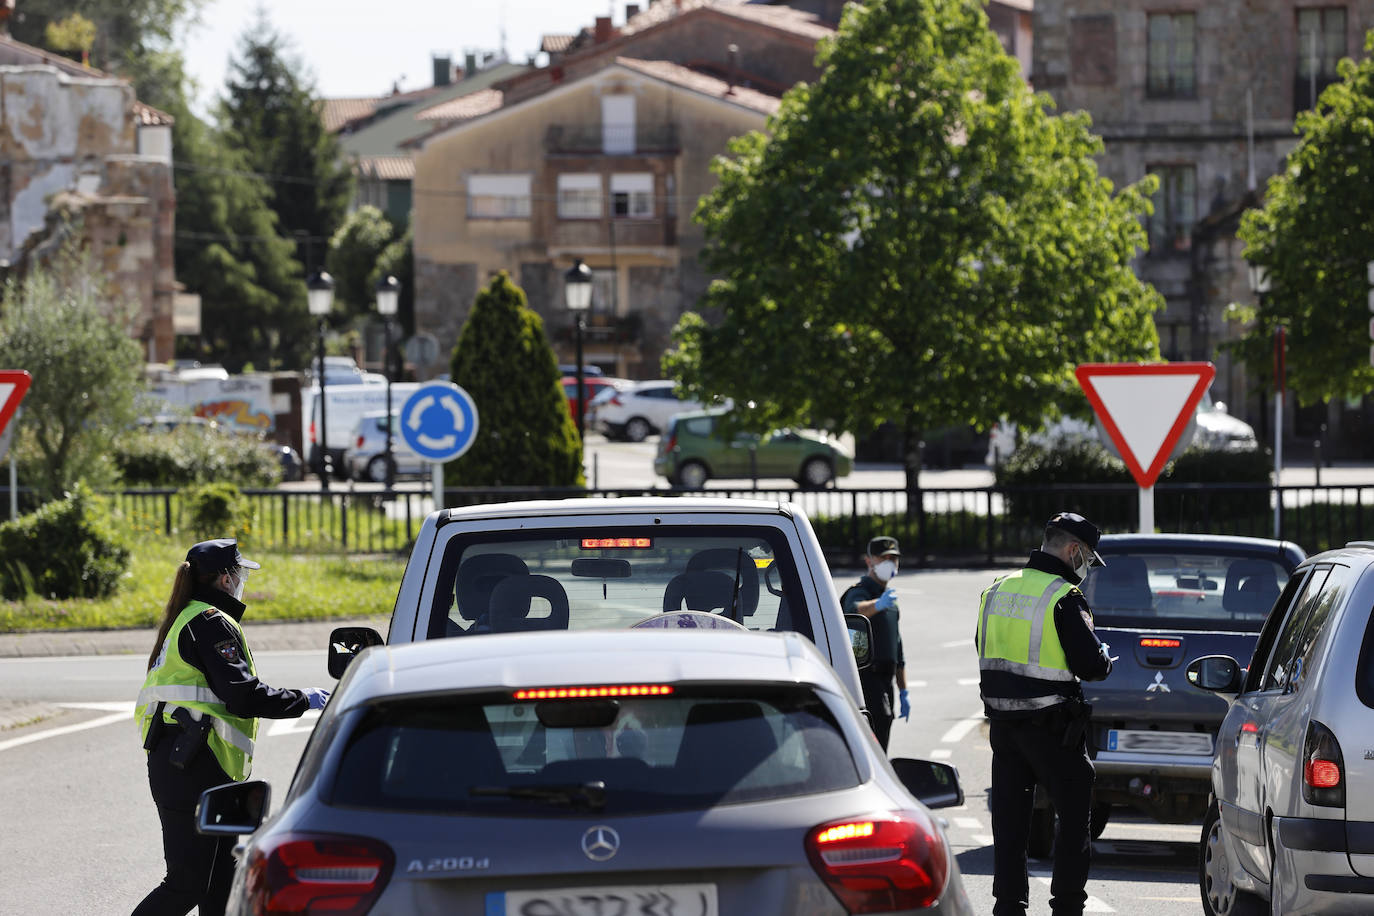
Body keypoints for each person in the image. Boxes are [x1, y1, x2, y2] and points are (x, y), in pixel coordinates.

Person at [132, 538, 331, 916]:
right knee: (187, 884)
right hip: (192, 766)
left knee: (221, 882)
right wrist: (305, 699)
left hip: (193, 763)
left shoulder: (188, 617)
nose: (242, 581)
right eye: (239, 573)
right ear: (225, 578)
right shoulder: (209, 623)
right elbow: (242, 695)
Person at [976, 512, 1115, 916]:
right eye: (1088, 558)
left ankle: (1009, 906)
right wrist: (1104, 659)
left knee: (1011, 823)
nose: (1086, 568)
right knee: (1073, 820)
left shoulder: (996, 590)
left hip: (1003, 727)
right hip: (1053, 728)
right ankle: (1067, 907)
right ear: (1074, 550)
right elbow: (1090, 665)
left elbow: (984, 649)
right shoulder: (1063, 597)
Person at [840, 535, 907, 751]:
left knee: (883, 732)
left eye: (893, 558)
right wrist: (878, 604)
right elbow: (854, 609)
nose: (890, 563)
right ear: (869, 561)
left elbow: (897, 649)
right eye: (883, 558)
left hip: (886, 680)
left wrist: (903, 690)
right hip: (867, 678)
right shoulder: (861, 591)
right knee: (873, 738)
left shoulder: (889, 599)